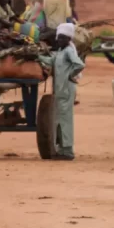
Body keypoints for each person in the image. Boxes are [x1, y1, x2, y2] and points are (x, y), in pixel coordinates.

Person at [40, 23, 83, 161]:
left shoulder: (69, 51)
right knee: (59, 119)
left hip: (66, 89)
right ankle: (61, 148)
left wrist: (71, 75)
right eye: (59, 38)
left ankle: (68, 151)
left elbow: (79, 64)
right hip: (60, 90)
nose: (59, 40)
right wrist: (36, 57)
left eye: (63, 38)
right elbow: (49, 61)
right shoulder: (60, 52)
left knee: (65, 120)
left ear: (68, 39)